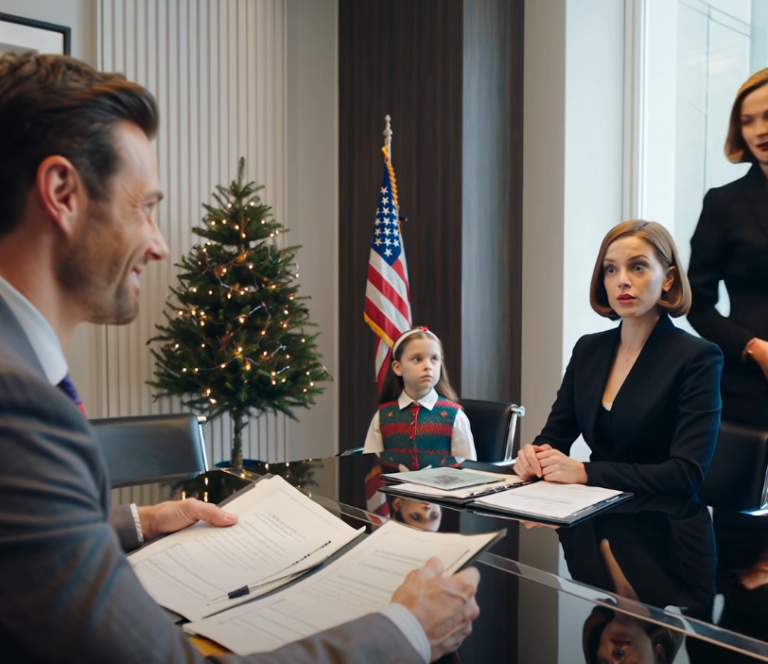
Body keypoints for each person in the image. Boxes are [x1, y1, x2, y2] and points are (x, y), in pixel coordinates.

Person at [0, 51, 480, 663]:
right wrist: (407, 630)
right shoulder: (18, 404)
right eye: (143, 206)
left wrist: (141, 522)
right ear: (62, 192)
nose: (159, 244)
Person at [514, 221, 723, 498]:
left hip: (669, 525)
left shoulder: (698, 357)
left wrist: (586, 472)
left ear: (669, 278)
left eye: (638, 267)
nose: (622, 280)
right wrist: (537, 457)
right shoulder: (588, 349)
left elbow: (685, 475)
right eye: (611, 269)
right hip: (594, 516)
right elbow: (555, 436)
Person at [687, 68, 768, 430]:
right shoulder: (723, 203)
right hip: (749, 387)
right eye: (748, 121)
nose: (759, 130)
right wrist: (754, 348)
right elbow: (697, 304)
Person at [363, 327, 477, 470]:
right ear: (398, 367)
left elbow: (468, 468)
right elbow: (371, 467)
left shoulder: (455, 416)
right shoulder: (383, 416)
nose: (428, 366)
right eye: (417, 359)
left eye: (434, 359)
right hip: (395, 491)